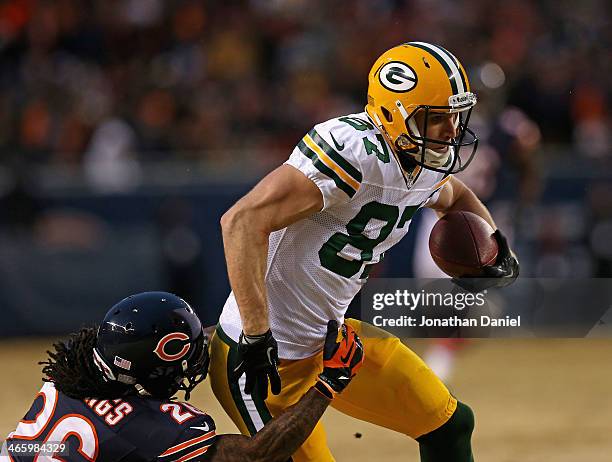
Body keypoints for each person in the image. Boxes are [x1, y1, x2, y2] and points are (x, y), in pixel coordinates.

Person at [210, 41, 519, 461]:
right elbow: (241, 221)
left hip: (335, 344)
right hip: (263, 361)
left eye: (455, 117)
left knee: (450, 425)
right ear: (394, 114)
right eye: (438, 119)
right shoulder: (351, 152)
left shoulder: (422, 156)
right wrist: (257, 331)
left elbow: (454, 196)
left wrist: (493, 247)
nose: (452, 132)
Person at [4, 292, 364, 462]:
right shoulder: (150, 428)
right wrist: (328, 384)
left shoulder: (73, 369)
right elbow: (258, 455)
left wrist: (240, 330)